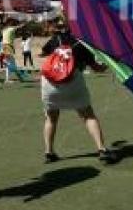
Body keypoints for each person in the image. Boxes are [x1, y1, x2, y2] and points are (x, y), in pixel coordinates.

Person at [40, 26, 117, 164]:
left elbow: (43, 54)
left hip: (49, 82)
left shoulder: (56, 38)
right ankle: (102, 149)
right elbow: (97, 69)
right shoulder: (83, 43)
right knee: (87, 115)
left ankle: (49, 152)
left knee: (51, 118)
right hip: (72, 81)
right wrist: (109, 64)